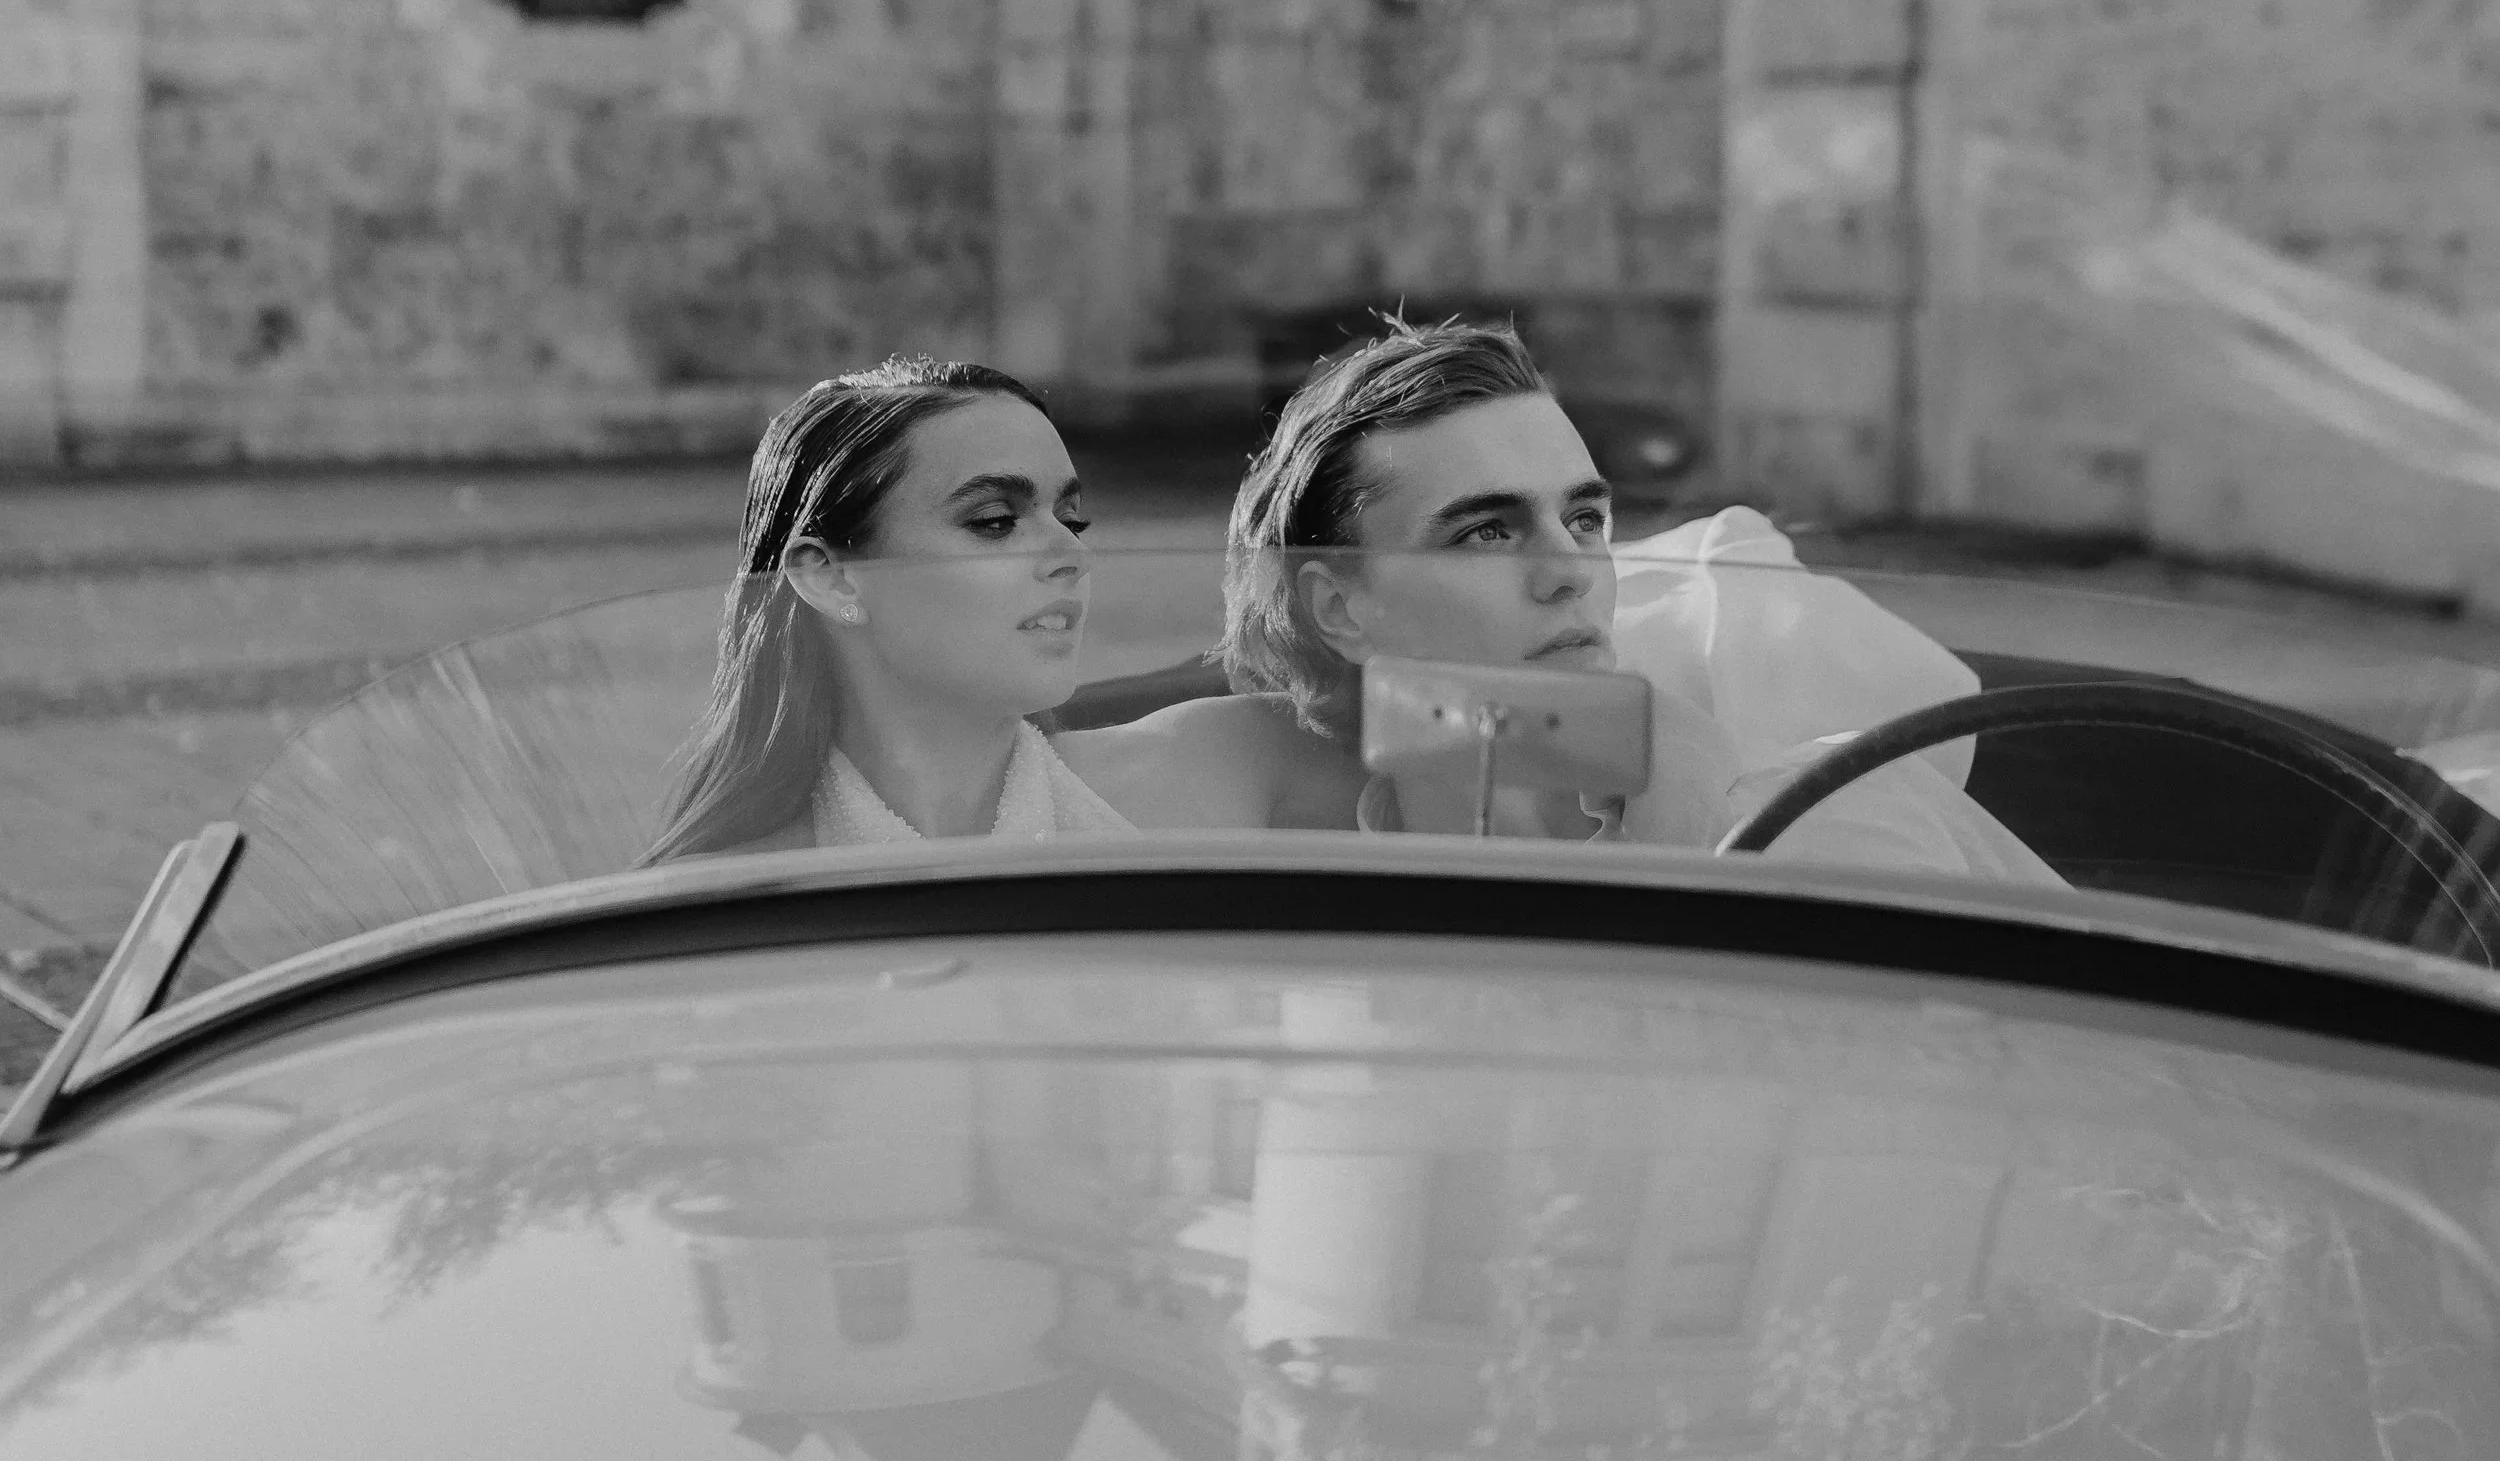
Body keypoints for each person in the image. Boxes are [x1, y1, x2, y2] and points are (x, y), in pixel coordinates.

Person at [1061, 317, 2067, 884]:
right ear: (1341, 608)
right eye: (1486, 533)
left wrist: (1690, 782)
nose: (1570, 571)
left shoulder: (1832, 818)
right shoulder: (1261, 784)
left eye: (1585, 520)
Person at [650, 358, 1138, 859]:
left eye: (1071, 521)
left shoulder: (1172, 786)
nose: (1075, 555)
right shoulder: (723, 892)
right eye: (995, 521)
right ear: (831, 578)